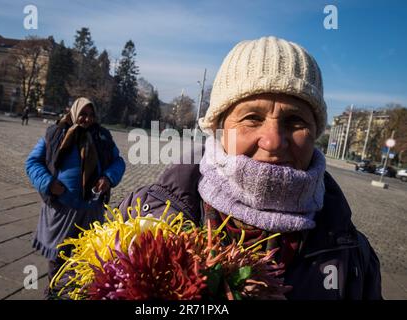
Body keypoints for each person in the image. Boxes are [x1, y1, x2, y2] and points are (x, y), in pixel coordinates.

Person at [118, 37, 382, 299]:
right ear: (218, 128)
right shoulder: (142, 220)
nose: (274, 141)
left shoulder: (352, 257)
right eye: (252, 118)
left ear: (315, 132)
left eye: (295, 120)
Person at [25, 97, 126, 298]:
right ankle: (53, 291)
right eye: (83, 114)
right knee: (58, 256)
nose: (87, 119)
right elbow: (32, 162)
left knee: (87, 258)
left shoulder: (102, 137)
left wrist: (108, 177)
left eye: (91, 115)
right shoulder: (55, 134)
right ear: (73, 113)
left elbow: (118, 162)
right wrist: (48, 183)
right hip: (62, 209)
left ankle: (80, 293)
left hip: (91, 210)